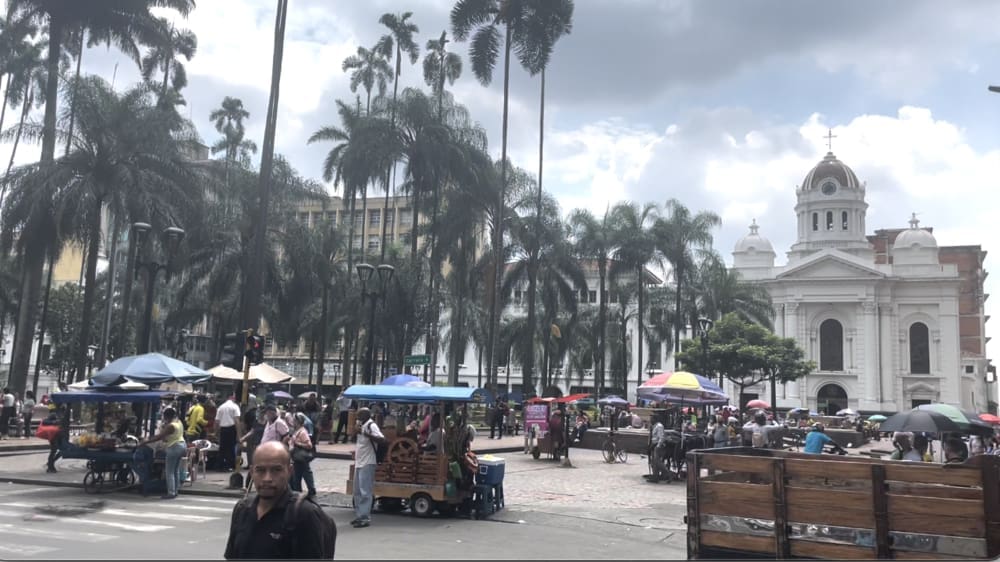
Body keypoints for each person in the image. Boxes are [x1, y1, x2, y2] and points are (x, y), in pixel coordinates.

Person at [224, 441, 335, 560]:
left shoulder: (304, 514)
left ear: (289, 471)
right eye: (260, 470)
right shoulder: (242, 509)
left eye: (276, 470)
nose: (267, 478)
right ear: (252, 472)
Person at [141, 407, 186, 500]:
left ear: (167, 416)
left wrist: (145, 442)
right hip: (182, 445)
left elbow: (160, 436)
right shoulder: (179, 422)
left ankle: (171, 493)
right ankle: (176, 491)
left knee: (169, 471)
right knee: (175, 470)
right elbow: (170, 436)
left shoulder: (171, 426)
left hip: (174, 447)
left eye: (164, 417)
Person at [353, 407, 384, 528]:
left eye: (359, 415)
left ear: (366, 416)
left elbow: (382, 439)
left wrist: (366, 433)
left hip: (368, 461)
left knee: (365, 491)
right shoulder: (359, 425)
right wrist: (356, 431)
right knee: (357, 491)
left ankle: (365, 517)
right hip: (359, 461)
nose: (357, 418)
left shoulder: (371, 426)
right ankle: (359, 515)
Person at [288, 413, 317, 498]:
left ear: (298, 421)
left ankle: (299, 492)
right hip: (297, 457)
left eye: (294, 420)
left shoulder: (302, 432)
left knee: (299, 475)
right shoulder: (297, 431)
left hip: (300, 457)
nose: (293, 422)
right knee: (303, 474)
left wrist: (297, 443)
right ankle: (305, 490)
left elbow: (309, 445)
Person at [216, 395, 241, 471]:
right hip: (231, 429)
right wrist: (239, 434)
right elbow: (237, 420)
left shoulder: (221, 407)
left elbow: (217, 421)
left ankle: (221, 466)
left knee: (222, 448)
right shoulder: (235, 406)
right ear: (233, 399)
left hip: (223, 429)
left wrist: (216, 432)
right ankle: (229, 465)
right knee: (231, 448)